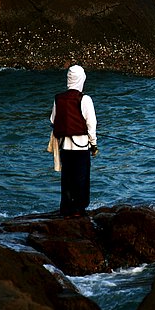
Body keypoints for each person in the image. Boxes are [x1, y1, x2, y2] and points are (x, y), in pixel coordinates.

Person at [50, 65, 98, 218]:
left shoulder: (58, 98)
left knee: (67, 179)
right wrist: (94, 144)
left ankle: (66, 210)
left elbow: (52, 120)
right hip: (81, 146)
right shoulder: (85, 99)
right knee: (81, 178)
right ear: (81, 79)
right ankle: (78, 210)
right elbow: (92, 124)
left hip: (65, 146)